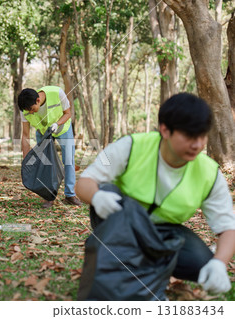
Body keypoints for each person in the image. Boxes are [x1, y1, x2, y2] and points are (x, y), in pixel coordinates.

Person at [76, 93, 235, 294]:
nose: (198, 145)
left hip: (165, 232)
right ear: (165, 130)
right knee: (106, 189)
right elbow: (84, 182)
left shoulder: (209, 172)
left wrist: (220, 263)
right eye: (189, 136)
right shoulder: (130, 146)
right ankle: (119, 268)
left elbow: (227, 227)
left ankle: (149, 270)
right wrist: (97, 197)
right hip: (121, 222)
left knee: (203, 262)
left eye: (202, 136)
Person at [18, 87, 82, 208]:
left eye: (32, 109)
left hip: (62, 128)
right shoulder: (25, 108)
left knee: (68, 160)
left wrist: (57, 124)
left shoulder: (57, 93)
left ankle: (70, 195)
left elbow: (68, 113)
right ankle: (49, 197)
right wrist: (26, 160)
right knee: (46, 164)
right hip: (43, 132)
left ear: (37, 100)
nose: (30, 113)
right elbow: (25, 135)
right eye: (28, 111)